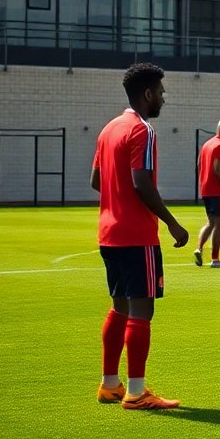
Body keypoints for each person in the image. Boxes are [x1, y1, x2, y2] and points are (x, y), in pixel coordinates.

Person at [91, 63, 190, 410]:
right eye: (161, 92)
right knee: (141, 310)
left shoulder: (109, 129)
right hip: (136, 235)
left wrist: (116, 197)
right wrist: (171, 222)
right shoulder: (142, 130)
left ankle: (110, 385)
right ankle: (136, 392)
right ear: (147, 94)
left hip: (108, 233)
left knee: (119, 307)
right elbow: (141, 181)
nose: (164, 97)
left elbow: (96, 181)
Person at [193, 118, 220, 268]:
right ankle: (215, 259)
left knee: (211, 222)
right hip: (218, 190)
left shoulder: (207, 144)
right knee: (219, 224)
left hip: (206, 189)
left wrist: (203, 181)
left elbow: (199, 164)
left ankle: (199, 248)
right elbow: (217, 168)